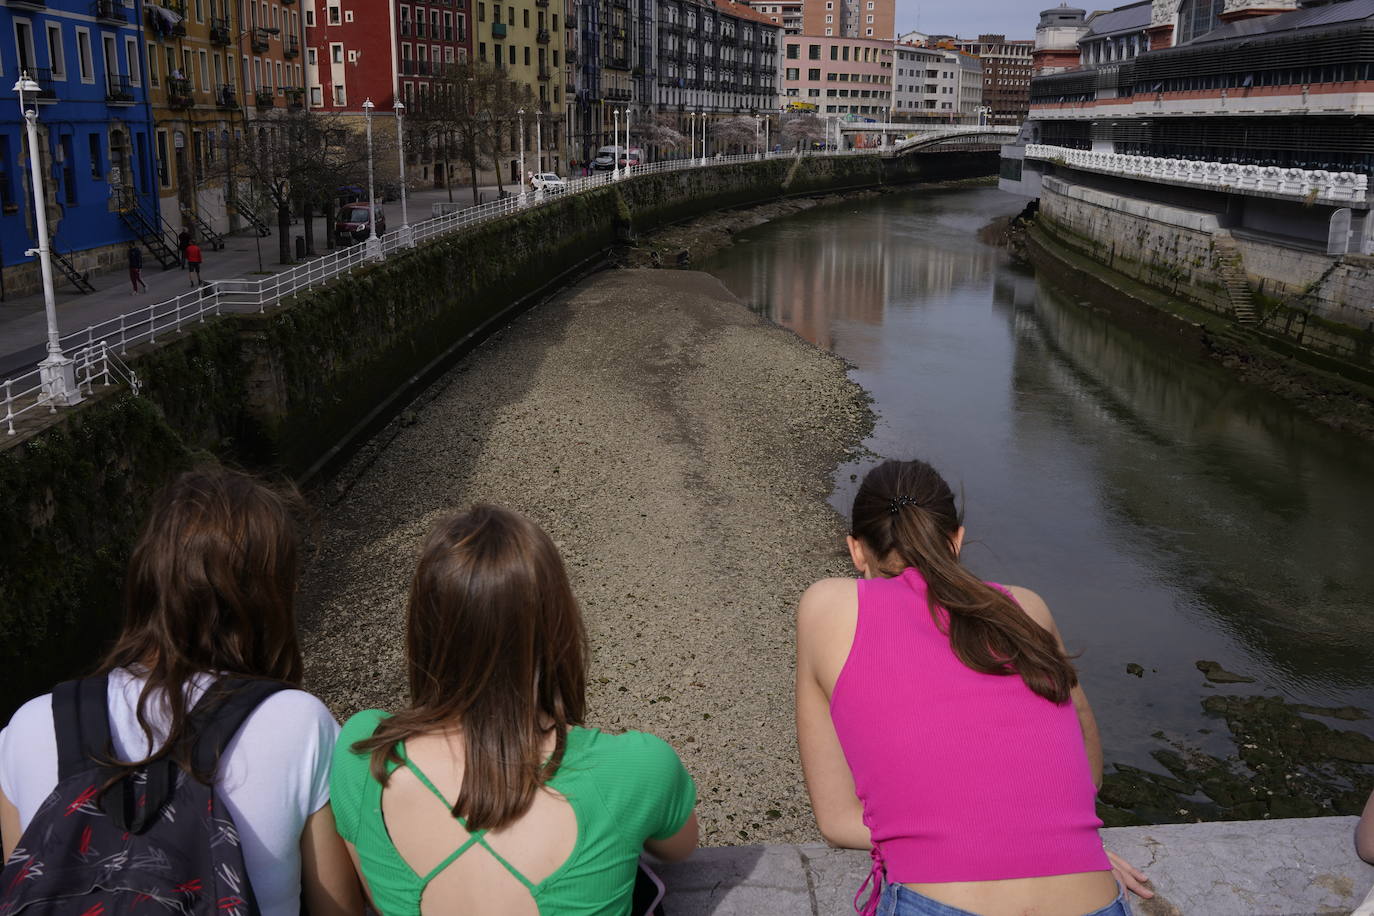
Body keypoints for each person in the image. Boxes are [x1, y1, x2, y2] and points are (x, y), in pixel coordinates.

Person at [795, 458, 1152, 916]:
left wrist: (965, 831)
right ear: (956, 541)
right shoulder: (1025, 607)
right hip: (1090, 899)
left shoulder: (827, 604)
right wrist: (1044, 835)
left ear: (856, 550)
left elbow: (836, 819)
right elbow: (1086, 768)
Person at [0, 467, 363, 916]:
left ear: (147, 578)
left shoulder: (31, 723)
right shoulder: (299, 723)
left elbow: (23, 887)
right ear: (267, 595)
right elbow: (338, 908)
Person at [331, 504, 698, 915]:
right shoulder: (637, 768)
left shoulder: (363, 751)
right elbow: (680, 849)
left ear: (424, 628)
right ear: (557, 626)